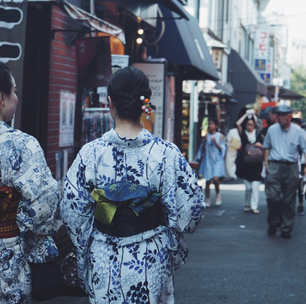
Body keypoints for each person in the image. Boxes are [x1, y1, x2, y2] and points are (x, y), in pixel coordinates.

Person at [60, 66, 205, 303]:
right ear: (145, 103)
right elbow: (191, 212)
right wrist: (167, 231)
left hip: (104, 256)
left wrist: (93, 240)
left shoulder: (91, 154)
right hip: (150, 257)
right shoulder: (167, 154)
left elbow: (72, 213)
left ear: (109, 102)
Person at [0, 62, 62, 303]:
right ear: (2, 98)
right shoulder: (22, 145)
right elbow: (45, 208)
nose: (16, 98)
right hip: (8, 257)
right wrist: (20, 223)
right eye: (14, 91)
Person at [263, 105, 306, 239]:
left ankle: (286, 228)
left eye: (283, 115)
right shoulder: (272, 129)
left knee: (288, 200)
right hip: (275, 165)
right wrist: (266, 164)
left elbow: (305, 149)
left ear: (289, 116)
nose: (280, 117)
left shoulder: (298, 131)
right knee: (272, 196)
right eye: (278, 115)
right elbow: (266, 147)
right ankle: (274, 222)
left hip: (291, 166)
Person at [236, 110, 264, 214]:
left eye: (251, 124)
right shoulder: (243, 134)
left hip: (257, 164)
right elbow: (238, 124)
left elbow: (264, 145)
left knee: (255, 186)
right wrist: (246, 115)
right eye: (248, 124)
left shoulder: (258, 134)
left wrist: (253, 116)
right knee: (248, 187)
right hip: (246, 164)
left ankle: (254, 206)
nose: (249, 126)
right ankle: (247, 204)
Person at [198, 118, 226, 207]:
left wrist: (216, 142)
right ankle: (208, 198)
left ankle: (218, 194)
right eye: (209, 124)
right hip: (208, 160)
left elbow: (223, 148)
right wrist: (206, 141)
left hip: (217, 160)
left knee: (216, 178)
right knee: (208, 179)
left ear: (216, 126)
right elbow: (202, 150)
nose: (210, 125)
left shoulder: (220, 136)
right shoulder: (206, 136)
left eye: (212, 124)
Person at [290, 117, 305, 215]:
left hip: (302, 162)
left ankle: (300, 203)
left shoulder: (302, 133)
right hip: (293, 161)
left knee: (299, 184)